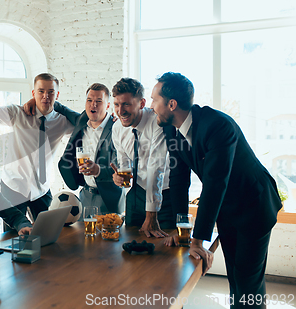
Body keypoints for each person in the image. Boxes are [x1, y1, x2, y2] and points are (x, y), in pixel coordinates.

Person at [150, 72, 282, 308]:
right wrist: (183, 232)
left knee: (247, 279)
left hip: (255, 204)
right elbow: (179, 179)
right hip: (228, 208)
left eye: (154, 100)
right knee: (234, 274)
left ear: (172, 104)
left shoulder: (217, 125)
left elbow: (215, 182)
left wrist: (198, 240)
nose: (151, 107)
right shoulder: (171, 130)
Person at [0, 67, 74, 220]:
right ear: (33, 93)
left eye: (50, 92)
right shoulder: (17, 113)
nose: (46, 96)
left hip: (41, 190)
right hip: (13, 187)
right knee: (11, 237)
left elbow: (87, 128)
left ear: (57, 95)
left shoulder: (62, 122)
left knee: (48, 233)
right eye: (41, 91)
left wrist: (110, 121)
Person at [110, 78, 177, 238]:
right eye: (117, 105)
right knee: (131, 242)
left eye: (126, 104)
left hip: (165, 194)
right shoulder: (117, 128)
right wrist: (120, 177)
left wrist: (151, 213)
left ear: (141, 103)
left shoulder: (158, 122)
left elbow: (156, 167)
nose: (121, 111)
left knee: (165, 248)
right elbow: (124, 162)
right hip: (136, 193)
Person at [57, 83, 124, 215]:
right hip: (85, 196)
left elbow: (121, 165)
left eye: (99, 101)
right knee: (83, 235)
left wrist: (98, 170)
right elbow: (61, 108)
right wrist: (33, 100)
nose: (93, 104)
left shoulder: (117, 129)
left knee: (109, 235)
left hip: (110, 199)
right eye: (89, 100)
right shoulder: (81, 121)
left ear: (108, 105)